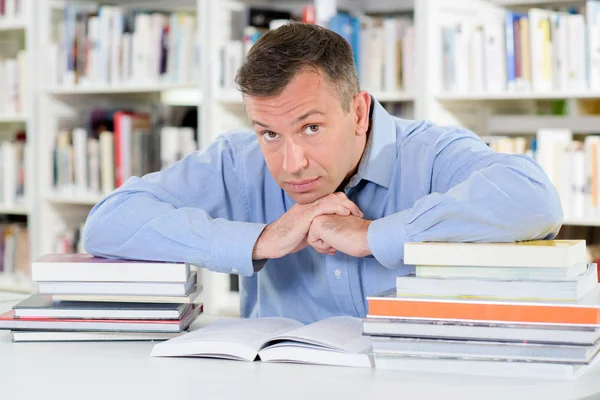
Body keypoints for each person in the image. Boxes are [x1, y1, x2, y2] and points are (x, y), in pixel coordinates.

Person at [82, 22, 563, 324]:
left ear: (357, 112)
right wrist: (263, 239)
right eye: (268, 132)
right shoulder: (237, 160)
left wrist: (375, 235)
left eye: (310, 127)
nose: (290, 164)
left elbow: (535, 199)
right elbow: (107, 222)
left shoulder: (430, 152)